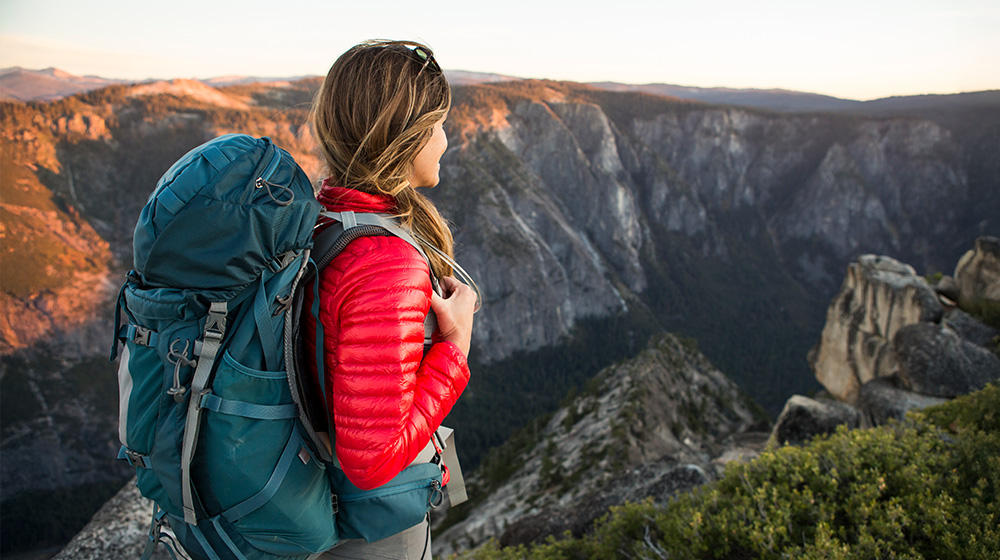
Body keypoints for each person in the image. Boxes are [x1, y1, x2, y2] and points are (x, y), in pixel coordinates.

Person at [304, 39, 477, 559]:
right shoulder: (385, 263)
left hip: (310, 495)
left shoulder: (324, 214)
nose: (447, 140)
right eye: (440, 125)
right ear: (408, 135)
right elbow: (374, 460)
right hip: (361, 535)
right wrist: (456, 346)